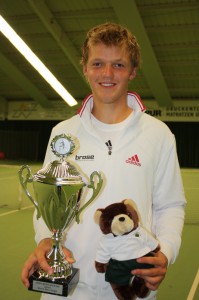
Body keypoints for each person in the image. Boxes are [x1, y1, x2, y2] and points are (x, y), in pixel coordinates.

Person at [21, 22, 186, 300]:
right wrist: (46, 240)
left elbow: (171, 205)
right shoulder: (62, 134)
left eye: (119, 65)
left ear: (133, 71)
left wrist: (166, 252)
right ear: (85, 67)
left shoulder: (159, 135)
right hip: (67, 290)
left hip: (130, 288)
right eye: (98, 63)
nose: (107, 74)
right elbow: (46, 205)